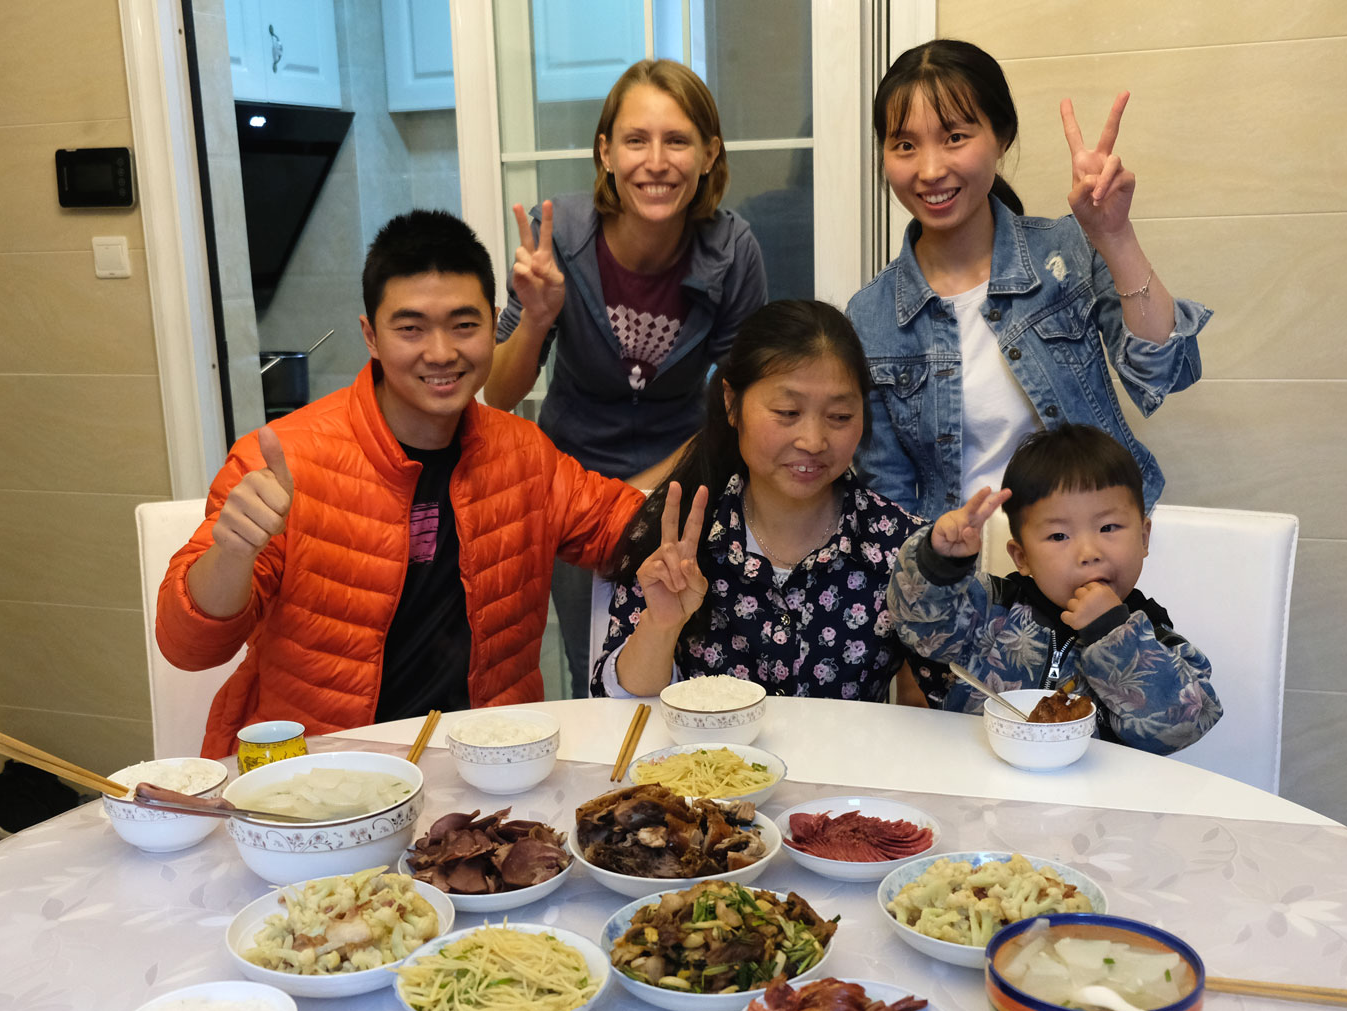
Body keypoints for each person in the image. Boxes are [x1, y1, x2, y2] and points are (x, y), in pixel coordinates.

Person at [156, 210, 645, 756]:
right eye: (410, 328)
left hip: (487, 773)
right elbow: (188, 647)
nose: (440, 353)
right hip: (325, 780)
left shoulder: (523, 454)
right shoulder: (280, 461)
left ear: (493, 323)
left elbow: (627, 528)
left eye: (464, 325)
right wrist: (233, 551)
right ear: (371, 335)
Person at [486, 59, 769, 698]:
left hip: (685, 479)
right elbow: (497, 395)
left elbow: (740, 405)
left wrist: (649, 490)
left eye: (677, 141)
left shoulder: (732, 250)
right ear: (605, 152)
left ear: (708, 155)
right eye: (636, 140)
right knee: (591, 667)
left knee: (684, 658)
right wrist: (535, 319)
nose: (657, 161)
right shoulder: (560, 237)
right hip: (567, 487)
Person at [846, 39, 1210, 522]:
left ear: (1002, 136)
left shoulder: (1065, 251)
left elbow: (1169, 374)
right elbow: (890, 504)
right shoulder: (870, 316)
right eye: (905, 145)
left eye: (955, 137)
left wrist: (1115, 237)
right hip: (968, 580)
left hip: (1097, 556)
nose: (930, 170)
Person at [592, 299, 946, 705]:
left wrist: (950, 588)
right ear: (731, 404)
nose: (813, 441)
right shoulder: (675, 535)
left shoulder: (899, 546)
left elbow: (945, 707)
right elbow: (619, 708)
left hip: (843, 768)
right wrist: (661, 625)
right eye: (787, 412)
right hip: (706, 766)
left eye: (840, 416)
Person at [889, 425, 1220, 755]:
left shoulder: (1154, 639)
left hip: (1097, 800)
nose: (1089, 552)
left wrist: (1113, 635)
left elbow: (1185, 725)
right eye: (1059, 536)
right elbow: (919, 624)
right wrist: (940, 562)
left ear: (1144, 538)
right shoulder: (987, 610)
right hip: (978, 790)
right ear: (1022, 557)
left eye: (1108, 527)